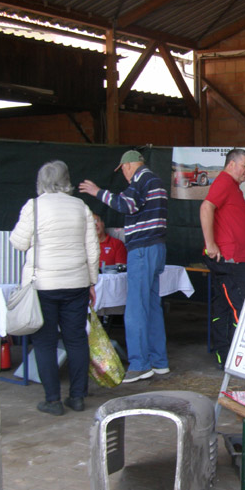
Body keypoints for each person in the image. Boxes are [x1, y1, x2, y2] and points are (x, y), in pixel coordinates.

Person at [10, 160, 99, 416]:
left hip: (43, 285)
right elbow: (92, 250)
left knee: (45, 342)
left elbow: (18, 242)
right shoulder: (80, 206)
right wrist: (92, 281)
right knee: (76, 340)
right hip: (77, 284)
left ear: (42, 181)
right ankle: (78, 397)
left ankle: (52, 400)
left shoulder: (34, 206)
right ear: (67, 179)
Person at [79, 150, 169, 383]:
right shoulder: (156, 181)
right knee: (152, 305)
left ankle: (139, 364)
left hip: (142, 249)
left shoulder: (141, 179)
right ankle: (159, 361)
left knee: (136, 308)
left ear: (129, 165)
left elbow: (126, 204)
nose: (125, 176)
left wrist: (97, 192)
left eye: (124, 171)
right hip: (158, 247)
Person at [200, 148, 245, 368]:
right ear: (231, 164)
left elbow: (228, 216)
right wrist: (210, 245)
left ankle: (226, 356)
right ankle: (238, 358)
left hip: (238, 259)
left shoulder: (233, 187)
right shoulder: (224, 182)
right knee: (239, 308)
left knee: (225, 307)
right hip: (230, 261)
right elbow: (206, 207)